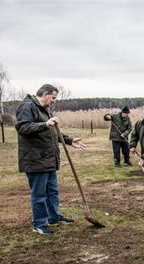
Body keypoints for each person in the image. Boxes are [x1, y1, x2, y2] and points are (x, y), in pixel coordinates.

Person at [15, 84, 87, 235]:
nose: (54, 101)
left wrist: (70, 140)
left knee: (52, 191)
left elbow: (53, 131)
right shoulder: (27, 107)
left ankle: (54, 217)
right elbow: (22, 128)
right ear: (45, 94)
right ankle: (39, 224)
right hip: (35, 160)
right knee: (39, 194)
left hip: (49, 159)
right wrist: (45, 124)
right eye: (53, 98)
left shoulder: (46, 110)